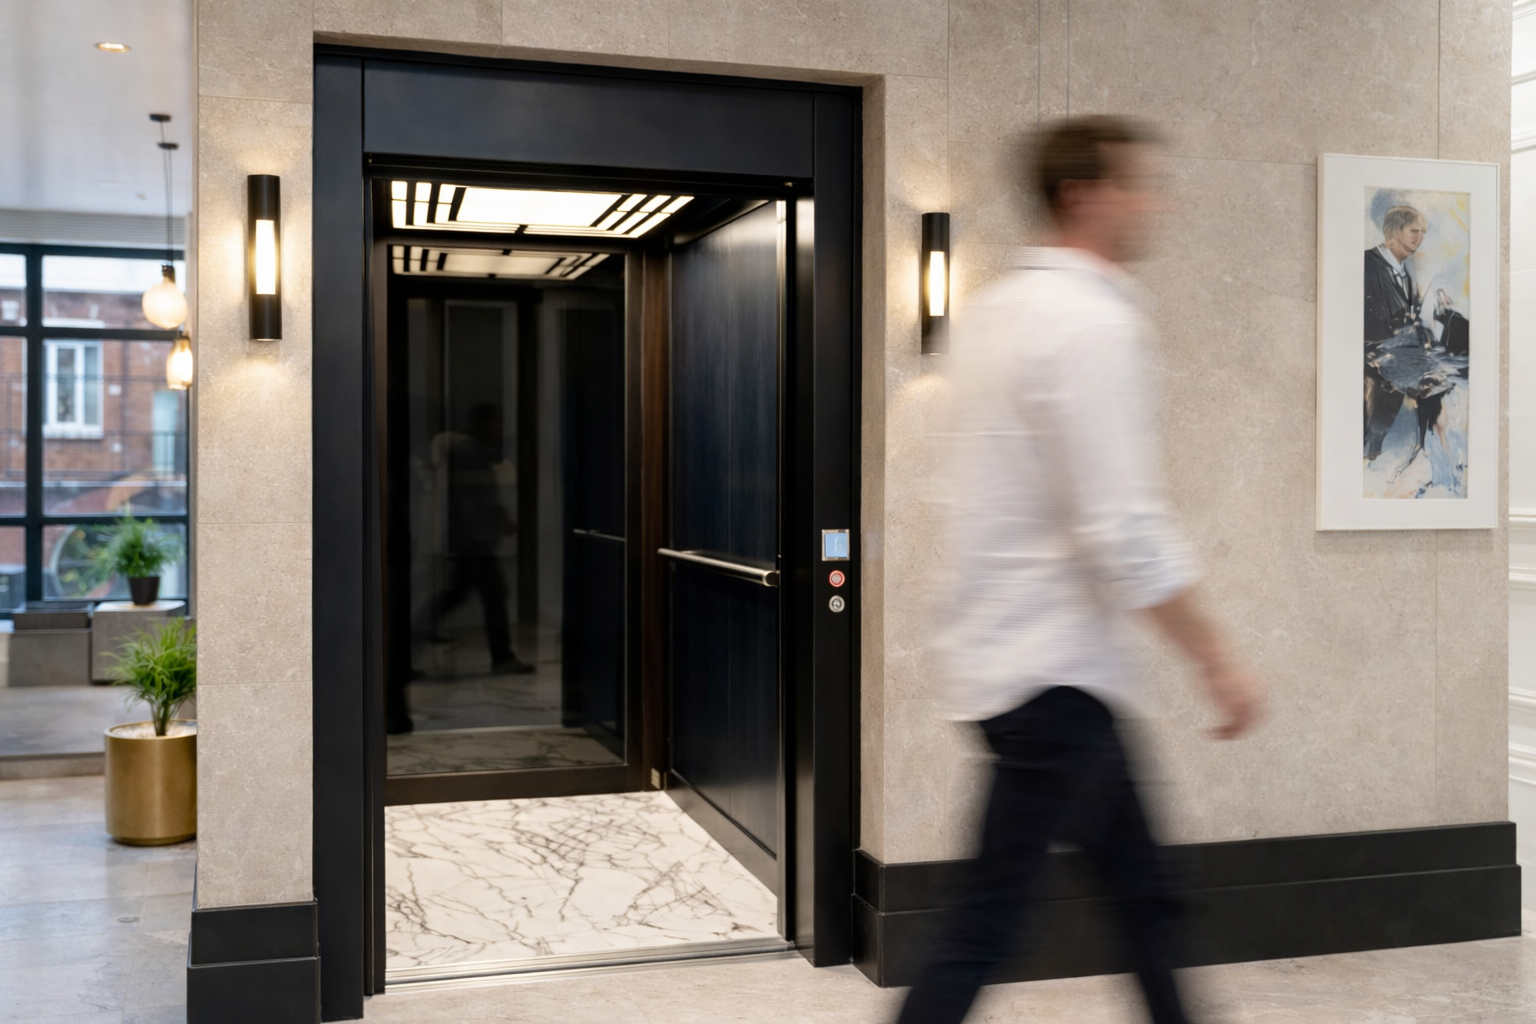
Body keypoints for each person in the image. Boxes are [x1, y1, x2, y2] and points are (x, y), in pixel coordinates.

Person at [894, 116, 1263, 1024]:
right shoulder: (1090, 322)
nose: (1155, 204)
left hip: (1011, 666)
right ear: (1082, 195)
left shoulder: (992, 315)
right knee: (994, 925)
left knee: (1144, 904)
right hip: (1053, 673)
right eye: (1139, 184)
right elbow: (1124, 528)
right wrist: (1216, 657)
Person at [416, 402, 534, 677]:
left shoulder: (476, 452)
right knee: (493, 596)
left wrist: (501, 516)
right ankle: (502, 657)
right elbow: (466, 500)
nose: (500, 428)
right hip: (473, 542)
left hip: (472, 541)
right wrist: (480, 533)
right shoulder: (468, 453)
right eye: (496, 422)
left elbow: (481, 495)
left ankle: (416, 631)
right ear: (481, 424)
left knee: (459, 593)